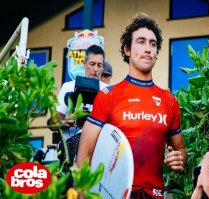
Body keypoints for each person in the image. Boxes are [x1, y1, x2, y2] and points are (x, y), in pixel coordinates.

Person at [76, 12, 187, 199]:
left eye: (153, 44)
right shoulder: (108, 96)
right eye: (141, 42)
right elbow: (84, 156)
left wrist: (179, 159)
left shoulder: (169, 101)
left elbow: (180, 149)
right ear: (127, 50)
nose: (148, 49)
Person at [49, 44, 109, 138]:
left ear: (103, 67)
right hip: (70, 146)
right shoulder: (68, 87)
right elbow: (52, 122)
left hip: (97, 148)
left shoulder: (108, 91)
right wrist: (64, 121)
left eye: (99, 65)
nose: (95, 69)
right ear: (84, 63)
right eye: (92, 64)